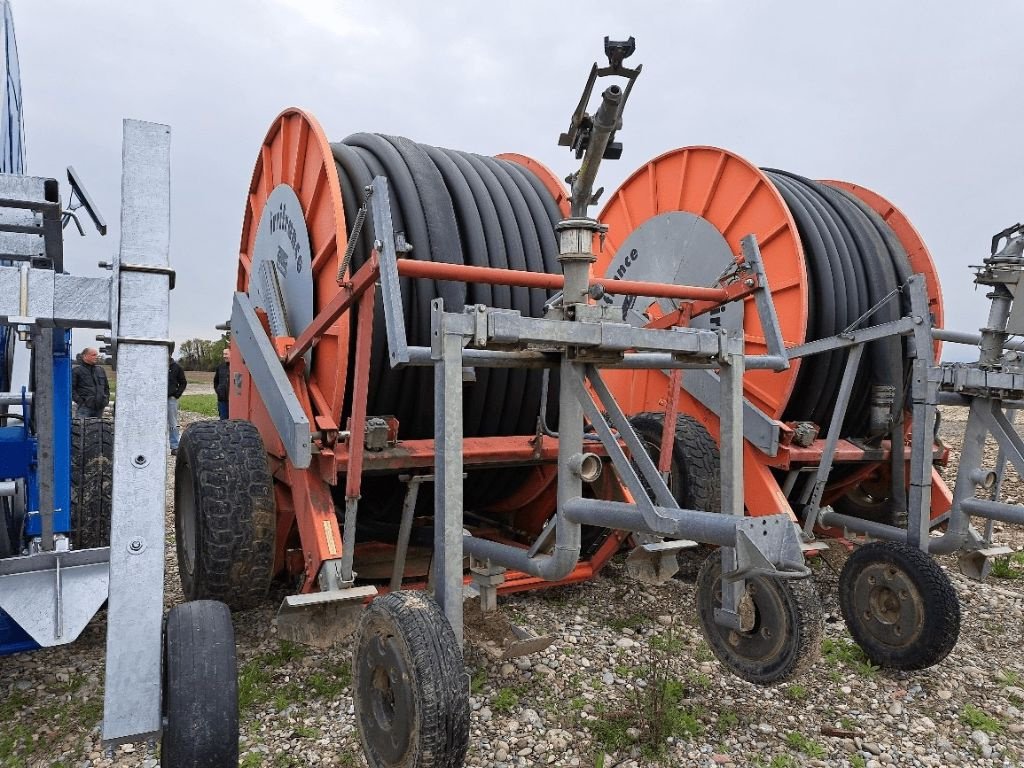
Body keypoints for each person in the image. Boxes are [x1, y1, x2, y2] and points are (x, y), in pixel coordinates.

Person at [71, 347, 110, 418]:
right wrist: (81, 402)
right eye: (93, 355)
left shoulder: (100, 370)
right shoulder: (76, 371)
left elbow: (106, 387)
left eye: (97, 355)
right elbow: (71, 389)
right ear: (85, 356)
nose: (96, 357)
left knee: (97, 428)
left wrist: (105, 399)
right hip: (84, 408)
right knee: (82, 428)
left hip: (100, 407)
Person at [168, 352, 188, 454]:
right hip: (156, 399)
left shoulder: (177, 367)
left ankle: (175, 446)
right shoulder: (156, 365)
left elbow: (183, 382)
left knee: (173, 423)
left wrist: (177, 394)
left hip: (171, 399)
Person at [213, 348, 230, 420]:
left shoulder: (237, 367)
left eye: (226, 354)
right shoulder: (220, 367)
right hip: (222, 400)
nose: (224, 356)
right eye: (223, 354)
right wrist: (218, 391)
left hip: (233, 401)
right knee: (223, 420)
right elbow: (215, 381)